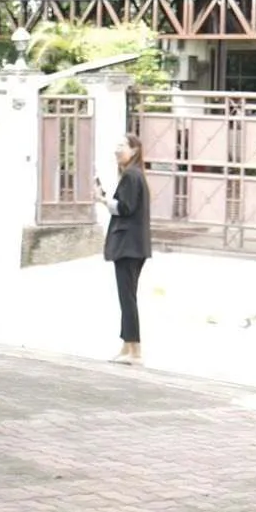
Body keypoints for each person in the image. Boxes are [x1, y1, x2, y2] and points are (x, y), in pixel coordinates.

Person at [97, 133, 151, 365]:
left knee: (127, 298)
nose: (117, 150)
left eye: (122, 146)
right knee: (128, 297)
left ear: (134, 150)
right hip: (135, 246)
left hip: (128, 246)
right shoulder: (136, 174)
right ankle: (126, 346)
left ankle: (135, 351)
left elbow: (125, 208)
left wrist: (102, 200)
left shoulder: (131, 175)